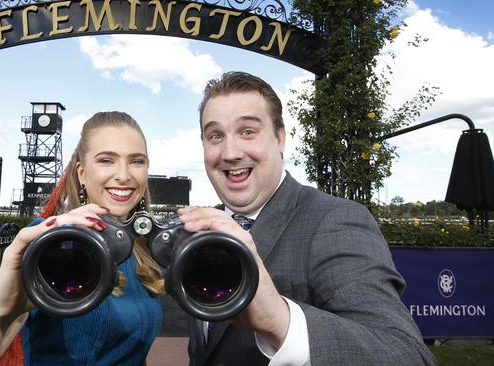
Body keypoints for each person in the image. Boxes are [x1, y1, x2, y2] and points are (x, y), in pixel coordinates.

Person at [177, 71, 437, 365]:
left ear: (279, 139)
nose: (231, 152)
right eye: (215, 136)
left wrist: (279, 320)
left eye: (247, 131)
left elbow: (408, 355)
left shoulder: (335, 221)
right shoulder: (203, 234)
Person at [0, 111, 164, 366]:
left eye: (136, 161)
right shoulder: (51, 240)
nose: (124, 175)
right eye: (106, 160)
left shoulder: (139, 248)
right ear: (81, 172)